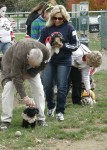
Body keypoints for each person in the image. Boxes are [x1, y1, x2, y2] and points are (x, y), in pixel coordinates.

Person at [39, 5, 79, 121]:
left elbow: (76, 44)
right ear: (51, 17)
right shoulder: (46, 29)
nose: (57, 20)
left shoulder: (69, 28)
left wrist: (63, 45)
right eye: (55, 18)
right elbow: (40, 44)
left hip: (64, 61)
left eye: (60, 18)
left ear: (64, 18)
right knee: (47, 85)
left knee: (62, 87)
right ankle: (51, 106)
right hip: (49, 60)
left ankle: (60, 111)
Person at [0, 38, 50, 130]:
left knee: (38, 88)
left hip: (31, 69)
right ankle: (6, 120)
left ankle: (41, 118)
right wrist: (25, 97)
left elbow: (42, 66)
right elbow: (16, 77)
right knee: (9, 87)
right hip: (10, 64)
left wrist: (30, 73)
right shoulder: (20, 54)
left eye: (35, 65)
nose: (34, 66)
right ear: (27, 58)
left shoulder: (46, 52)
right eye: (32, 64)